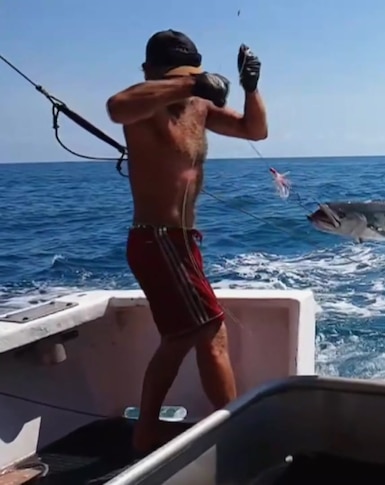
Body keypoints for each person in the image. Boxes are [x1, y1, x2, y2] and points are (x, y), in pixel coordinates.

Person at [105, 29, 268, 453]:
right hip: (155, 240)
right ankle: (236, 432)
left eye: (193, 74)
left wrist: (251, 88)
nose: (188, 83)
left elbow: (255, 131)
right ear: (150, 72)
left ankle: (148, 432)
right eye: (177, 76)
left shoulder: (198, 107)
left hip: (181, 243)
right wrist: (189, 83)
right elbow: (115, 108)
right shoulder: (143, 106)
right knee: (209, 333)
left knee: (179, 339)